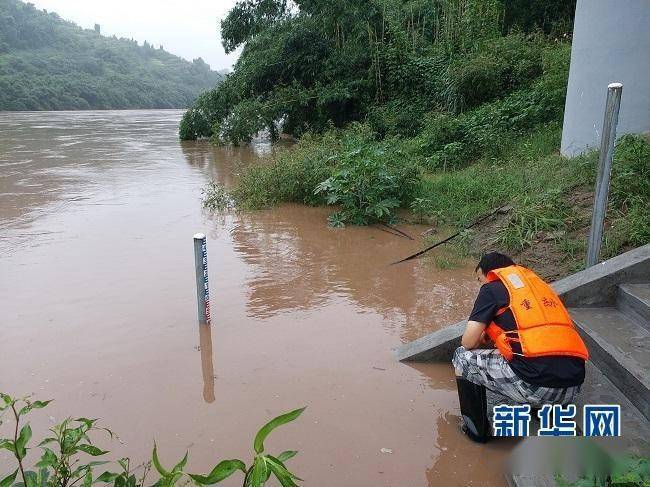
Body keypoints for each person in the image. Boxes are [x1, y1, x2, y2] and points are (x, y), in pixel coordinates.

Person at [452, 252, 589, 442]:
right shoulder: (540, 288)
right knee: (531, 354)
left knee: (461, 357)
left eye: (479, 279)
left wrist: (482, 339)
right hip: (573, 387)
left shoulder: (491, 289)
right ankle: (541, 410)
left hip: (536, 387)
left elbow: (467, 342)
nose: (480, 284)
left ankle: (476, 431)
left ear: (488, 273)